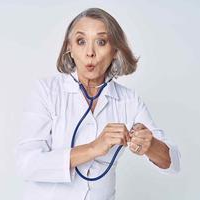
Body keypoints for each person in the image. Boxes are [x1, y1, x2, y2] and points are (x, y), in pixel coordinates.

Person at [15, 7, 180, 200]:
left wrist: (150, 145)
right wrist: (94, 147)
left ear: (115, 50)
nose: (90, 53)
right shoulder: (47, 91)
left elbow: (173, 163)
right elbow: (27, 164)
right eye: (81, 41)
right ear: (69, 48)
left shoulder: (129, 100)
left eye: (101, 42)